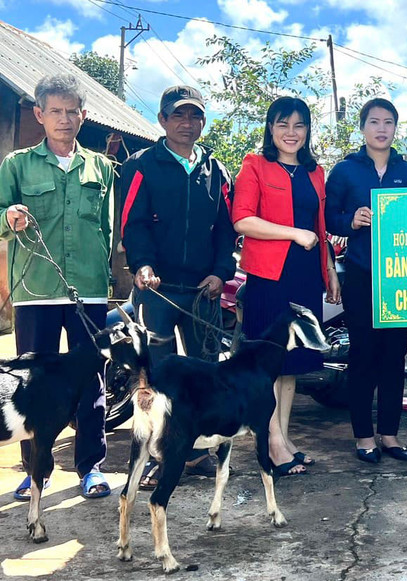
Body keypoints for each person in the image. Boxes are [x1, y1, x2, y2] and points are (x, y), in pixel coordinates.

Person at [0, 74, 113, 500]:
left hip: (89, 291)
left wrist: (106, 276)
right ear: (39, 115)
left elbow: (108, 228)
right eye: (55, 111)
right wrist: (8, 217)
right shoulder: (16, 165)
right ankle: (36, 473)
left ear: (84, 115)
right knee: (32, 384)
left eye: (72, 111)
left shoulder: (102, 168)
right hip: (36, 290)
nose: (64, 119)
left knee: (91, 380)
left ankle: (91, 467)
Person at [120, 86, 236, 488]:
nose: (187, 124)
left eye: (195, 117)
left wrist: (221, 272)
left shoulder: (217, 171)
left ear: (203, 122)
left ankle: (200, 453)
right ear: (162, 120)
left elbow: (226, 230)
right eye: (179, 116)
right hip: (158, 289)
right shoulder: (140, 166)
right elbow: (132, 224)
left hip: (203, 289)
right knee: (157, 377)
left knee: (205, 373)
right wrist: (142, 265)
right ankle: (155, 456)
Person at [232, 96, 340, 476]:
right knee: (268, 364)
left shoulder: (315, 172)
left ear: (308, 130)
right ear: (270, 128)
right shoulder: (255, 165)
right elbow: (242, 220)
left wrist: (330, 270)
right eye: (282, 124)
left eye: (299, 125)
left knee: (292, 363)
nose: (290, 133)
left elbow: (321, 225)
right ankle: (271, 441)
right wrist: (294, 234)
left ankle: (284, 437)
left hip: (306, 274)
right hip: (269, 277)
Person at [325, 98, 407, 463]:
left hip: (399, 280)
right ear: (363, 128)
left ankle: (390, 435)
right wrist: (350, 220)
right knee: (363, 356)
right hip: (362, 275)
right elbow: (329, 218)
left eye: (388, 123)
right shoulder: (345, 171)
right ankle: (363, 436)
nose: (381, 129)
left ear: (396, 129)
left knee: (395, 358)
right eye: (374, 122)